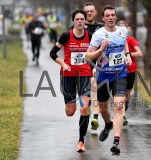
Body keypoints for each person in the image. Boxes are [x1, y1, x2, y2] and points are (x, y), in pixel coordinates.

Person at [49, 10, 106, 152]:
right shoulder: (66, 35)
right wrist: (63, 64)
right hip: (68, 76)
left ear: (85, 21)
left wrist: (95, 65)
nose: (80, 21)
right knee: (70, 112)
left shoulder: (90, 36)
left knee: (84, 108)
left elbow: (96, 54)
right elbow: (52, 53)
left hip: (84, 75)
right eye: (77, 19)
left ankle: (81, 141)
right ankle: (70, 104)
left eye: (82, 19)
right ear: (73, 21)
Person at [86, 5, 132, 155]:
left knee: (119, 107)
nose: (111, 17)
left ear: (116, 17)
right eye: (108, 16)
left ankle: (116, 142)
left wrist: (128, 55)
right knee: (103, 108)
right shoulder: (98, 35)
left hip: (120, 73)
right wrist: (101, 49)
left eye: (113, 15)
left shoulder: (123, 31)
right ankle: (107, 125)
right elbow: (88, 56)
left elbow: (124, 42)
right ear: (103, 18)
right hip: (104, 76)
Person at [83, 2, 104, 131]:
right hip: (83, 64)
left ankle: (95, 118)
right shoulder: (78, 26)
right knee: (85, 94)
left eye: (91, 11)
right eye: (87, 12)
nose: (89, 13)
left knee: (95, 89)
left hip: (97, 64)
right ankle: (88, 108)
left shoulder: (101, 28)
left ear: (95, 13)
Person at [117, 20, 143, 126]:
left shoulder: (130, 40)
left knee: (128, 93)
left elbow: (139, 53)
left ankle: (125, 104)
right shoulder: (114, 40)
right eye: (120, 28)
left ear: (128, 29)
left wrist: (127, 54)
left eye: (124, 28)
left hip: (131, 70)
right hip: (118, 70)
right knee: (121, 94)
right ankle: (122, 116)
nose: (122, 31)